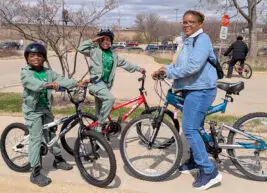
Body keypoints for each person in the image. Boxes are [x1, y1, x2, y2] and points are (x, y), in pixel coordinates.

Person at [152, 10, 222, 190]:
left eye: (191, 22)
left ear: (200, 24)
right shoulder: (185, 41)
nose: (187, 25)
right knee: (195, 127)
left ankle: (209, 171)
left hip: (201, 89)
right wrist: (164, 69)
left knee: (189, 128)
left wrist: (169, 73)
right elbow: (178, 64)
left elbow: (193, 66)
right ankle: (194, 161)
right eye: (184, 22)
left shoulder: (202, 40)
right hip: (190, 88)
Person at [21, 42, 87, 187]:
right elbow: (30, 82)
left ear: (44, 58)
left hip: (45, 109)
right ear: (27, 58)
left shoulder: (48, 72)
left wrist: (77, 83)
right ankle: (35, 172)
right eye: (32, 55)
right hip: (33, 111)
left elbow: (61, 79)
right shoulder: (25, 72)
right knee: (36, 138)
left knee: (52, 134)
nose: (36, 58)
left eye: (39, 55)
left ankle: (58, 159)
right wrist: (46, 85)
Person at [77, 29, 145, 130]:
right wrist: (93, 40)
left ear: (111, 42)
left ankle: (97, 137)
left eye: (108, 40)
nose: (106, 42)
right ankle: (100, 124)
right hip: (95, 83)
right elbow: (80, 48)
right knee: (110, 99)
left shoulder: (114, 55)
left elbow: (126, 64)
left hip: (106, 86)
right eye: (103, 39)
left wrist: (139, 68)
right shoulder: (94, 51)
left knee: (100, 111)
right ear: (99, 40)